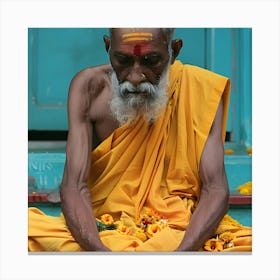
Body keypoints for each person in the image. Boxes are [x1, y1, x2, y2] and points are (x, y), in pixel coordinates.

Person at [28, 28, 252, 252]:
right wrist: (99, 254)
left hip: (177, 228)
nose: (135, 77)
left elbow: (215, 189)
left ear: (174, 51)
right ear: (108, 48)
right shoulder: (90, 87)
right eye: (122, 60)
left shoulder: (200, 89)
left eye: (151, 60)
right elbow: (74, 186)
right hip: (104, 224)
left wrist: (181, 257)